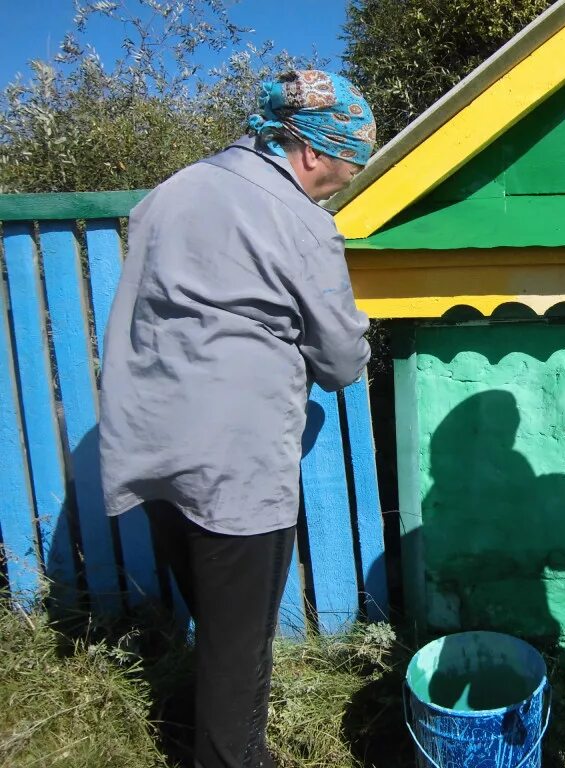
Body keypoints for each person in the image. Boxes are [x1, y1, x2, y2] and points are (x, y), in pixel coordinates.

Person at [98, 70, 375, 768]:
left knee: (211, 612)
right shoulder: (300, 221)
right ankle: (231, 758)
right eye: (349, 166)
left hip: (151, 439)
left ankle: (207, 733)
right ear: (312, 152)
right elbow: (341, 360)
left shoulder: (171, 193)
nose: (344, 181)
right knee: (239, 640)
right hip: (235, 461)